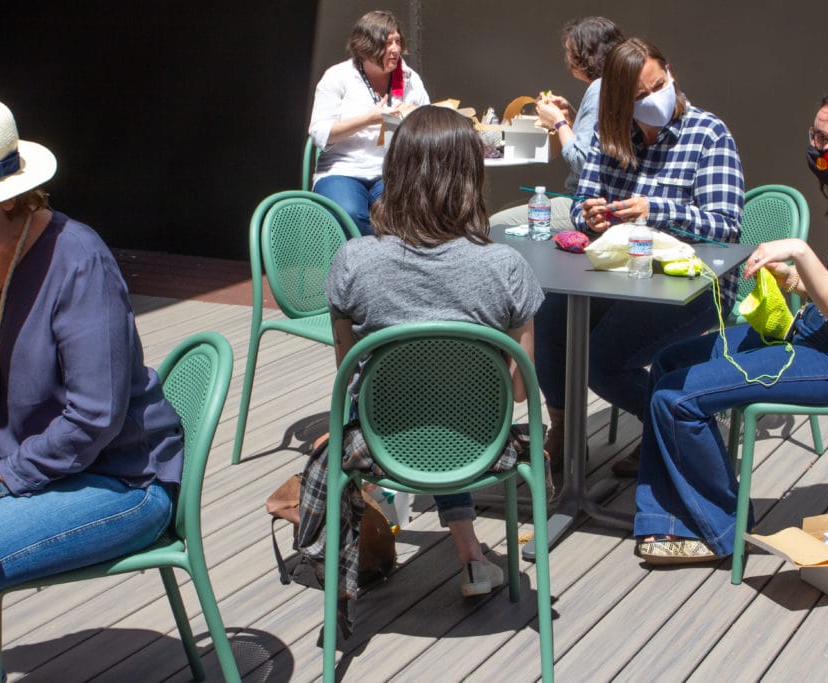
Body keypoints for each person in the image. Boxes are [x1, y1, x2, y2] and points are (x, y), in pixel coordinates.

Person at [0, 90, 183, 681]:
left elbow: (93, 421)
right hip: (12, 460)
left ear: (7, 196)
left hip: (119, 478)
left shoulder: (77, 259)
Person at [635, 86, 828, 564]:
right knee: (671, 363)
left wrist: (798, 251)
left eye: (825, 140)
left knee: (677, 398)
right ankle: (668, 521)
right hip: (824, 333)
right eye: (812, 135)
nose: (815, 149)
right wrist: (793, 278)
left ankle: (724, 534)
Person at [325, 105, 545, 595]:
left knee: (419, 398)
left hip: (383, 443)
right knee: (454, 403)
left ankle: (455, 551)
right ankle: (472, 557)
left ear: (393, 171)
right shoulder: (506, 268)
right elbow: (520, 391)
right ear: (471, 176)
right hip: (482, 446)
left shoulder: (353, 261)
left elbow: (346, 374)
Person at [535, 37, 744, 478]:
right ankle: (565, 430)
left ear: (672, 75)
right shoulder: (611, 137)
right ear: (618, 103)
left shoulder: (708, 133)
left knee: (600, 360)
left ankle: (676, 426)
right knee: (549, 317)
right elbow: (583, 201)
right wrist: (589, 213)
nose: (654, 100)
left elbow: (725, 225)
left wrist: (656, 209)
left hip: (695, 286)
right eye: (639, 97)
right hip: (622, 278)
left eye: (659, 85)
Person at [490, 16, 625, 232]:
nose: (568, 61)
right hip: (601, 199)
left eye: (570, 52)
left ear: (587, 55)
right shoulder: (614, 84)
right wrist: (573, 114)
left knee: (496, 224)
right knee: (509, 208)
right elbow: (596, 141)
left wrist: (558, 121)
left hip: (588, 204)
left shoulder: (599, 88)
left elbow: (582, 161)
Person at [308, 10, 430, 236]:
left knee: (405, 210)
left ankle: (392, 267)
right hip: (343, 169)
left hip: (390, 170)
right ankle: (365, 266)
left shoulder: (408, 78)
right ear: (366, 47)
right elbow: (320, 133)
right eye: (387, 43)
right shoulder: (339, 76)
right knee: (350, 212)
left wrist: (412, 117)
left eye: (397, 41)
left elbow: (427, 124)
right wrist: (370, 119)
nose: (395, 50)